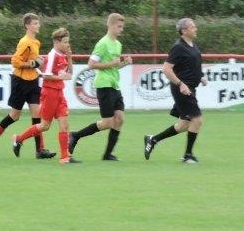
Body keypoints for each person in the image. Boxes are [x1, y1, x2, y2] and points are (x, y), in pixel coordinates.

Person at [0, 13, 55, 159]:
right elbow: (15, 61)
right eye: (35, 23)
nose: (38, 25)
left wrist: (39, 62)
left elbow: (33, 61)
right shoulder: (25, 42)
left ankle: (40, 150)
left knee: (37, 115)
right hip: (20, 82)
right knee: (14, 116)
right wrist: (33, 63)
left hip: (33, 81)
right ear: (27, 26)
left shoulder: (36, 42)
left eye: (38, 23)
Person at [68, 12, 132, 160]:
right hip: (104, 85)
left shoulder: (118, 44)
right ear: (110, 25)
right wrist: (112, 63)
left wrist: (124, 63)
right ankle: (75, 135)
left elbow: (114, 66)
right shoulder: (103, 43)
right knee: (108, 122)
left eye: (122, 27)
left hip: (114, 85)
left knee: (119, 119)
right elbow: (91, 64)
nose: (121, 29)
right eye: (119, 26)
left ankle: (108, 154)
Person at [144, 17, 207, 163]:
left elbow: (191, 66)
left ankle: (153, 140)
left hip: (190, 88)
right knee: (197, 120)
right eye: (192, 26)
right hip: (182, 89)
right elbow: (166, 69)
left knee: (184, 125)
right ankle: (188, 155)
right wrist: (181, 84)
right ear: (183, 31)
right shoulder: (178, 47)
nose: (196, 28)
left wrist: (201, 77)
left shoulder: (192, 45)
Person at [11, 28, 80, 163]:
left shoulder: (63, 55)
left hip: (59, 93)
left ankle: (65, 157)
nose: (68, 45)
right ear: (57, 42)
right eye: (65, 42)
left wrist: (70, 57)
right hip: (50, 93)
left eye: (68, 42)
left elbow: (70, 73)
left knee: (64, 124)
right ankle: (18, 139)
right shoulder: (52, 55)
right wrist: (61, 77)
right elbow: (46, 76)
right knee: (44, 125)